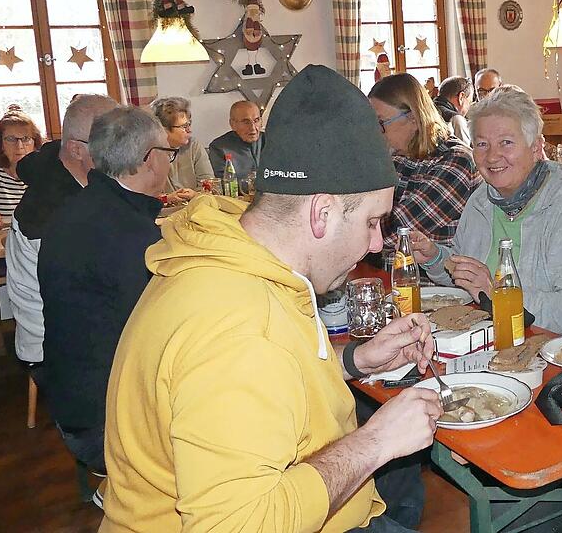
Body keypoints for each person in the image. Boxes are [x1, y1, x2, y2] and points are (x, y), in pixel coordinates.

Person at [99, 65, 442, 532]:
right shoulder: (239, 331)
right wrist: (376, 442)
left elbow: (281, 375)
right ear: (321, 213)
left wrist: (357, 359)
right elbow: (236, 525)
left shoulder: (237, 252)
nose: (377, 243)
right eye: (371, 222)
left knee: (402, 493)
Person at [408, 85, 562, 335]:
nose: (492, 157)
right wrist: (436, 258)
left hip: (549, 348)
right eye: (482, 144)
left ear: (536, 148)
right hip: (487, 338)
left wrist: (499, 293)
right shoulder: (481, 199)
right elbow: (469, 278)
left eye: (506, 143)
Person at [37, 107, 169, 478]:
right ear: (149, 160)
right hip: (102, 422)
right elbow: (158, 333)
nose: (169, 162)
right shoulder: (130, 235)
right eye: (168, 153)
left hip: (71, 398)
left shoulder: (79, 209)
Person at [6, 94, 119, 372]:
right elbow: (96, 293)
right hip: (59, 347)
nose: (123, 151)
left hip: (74, 325)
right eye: (112, 142)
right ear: (76, 149)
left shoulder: (60, 168)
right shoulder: (56, 212)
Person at [368, 73, 478, 248]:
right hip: (390, 263)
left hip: (436, 266)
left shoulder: (457, 162)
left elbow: (394, 232)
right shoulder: (397, 156)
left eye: (381, 122)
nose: (375, 131)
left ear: (413, 117)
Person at [149, 96, 213, 203]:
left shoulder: (193, 145)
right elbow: (142, 198)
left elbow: (210, 185)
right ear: (163, 129)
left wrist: (195, 195)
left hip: (194, 207)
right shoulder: (148, 152)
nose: (189, 130)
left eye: (189, 124)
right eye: (184, 126)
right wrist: (167, 199)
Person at [208, 99, 265, 192]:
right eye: (246, 122)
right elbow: (223, 185)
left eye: (256, 120)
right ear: (232, 124)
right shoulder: (219, 147)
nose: (253, 127)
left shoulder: (271, 141)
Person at [433, 76, 473, 145]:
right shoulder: (456, 119)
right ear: (461, 97)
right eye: (469, 102)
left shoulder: (426, 111)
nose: (468, 108)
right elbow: (465, 150)